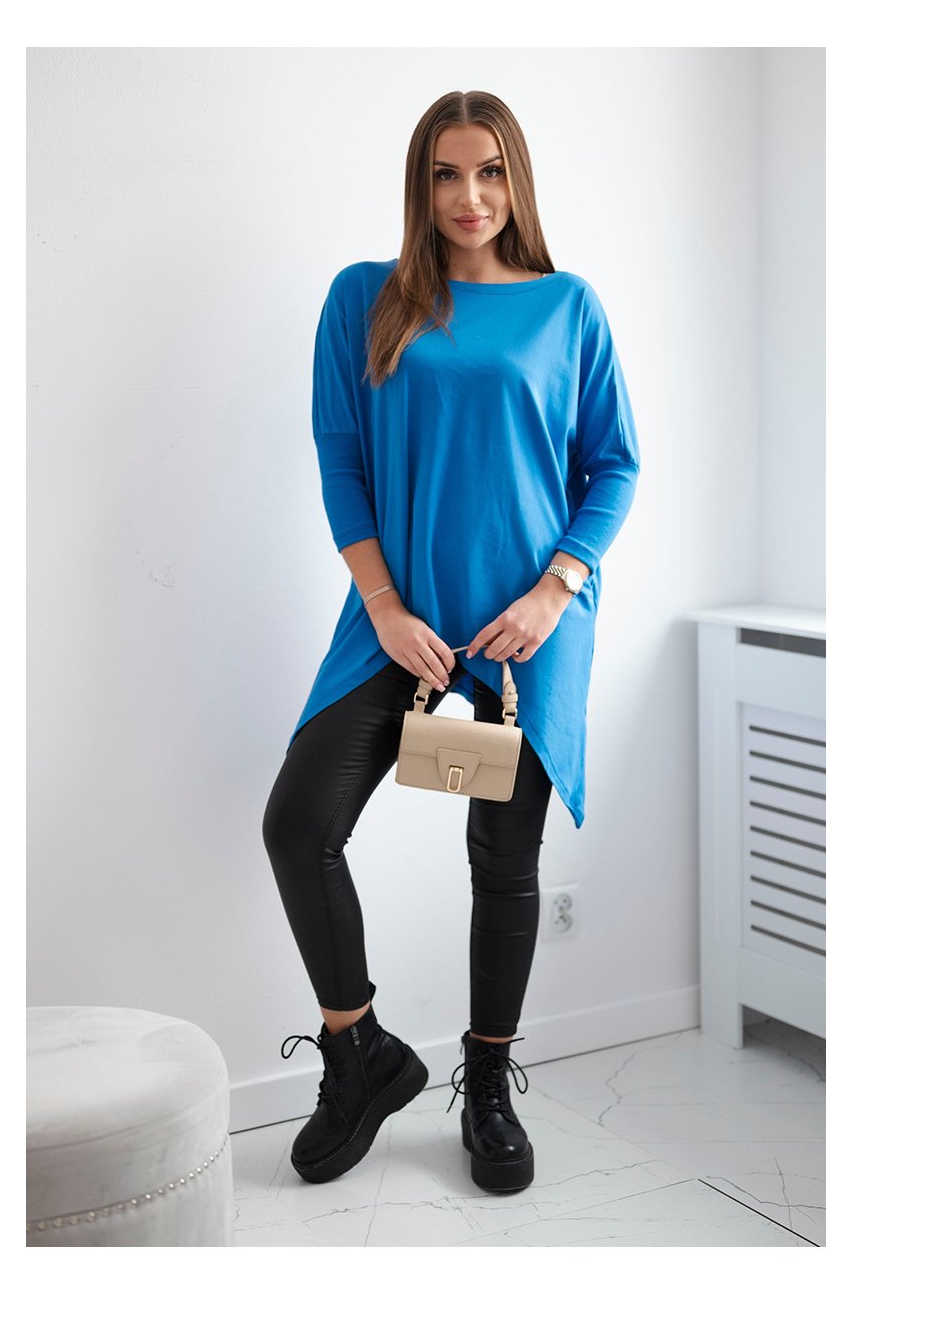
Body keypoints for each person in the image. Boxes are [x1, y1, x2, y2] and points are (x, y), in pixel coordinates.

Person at [262, 90, 640, 1194]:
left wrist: (555, 592)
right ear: (419, 185)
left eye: (488, 171)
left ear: (516, 180)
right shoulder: (365, 299)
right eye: (444, 173)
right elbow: (341, 458)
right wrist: (383, 607)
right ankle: (360, 1053)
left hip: (528, 627)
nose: (468, 196)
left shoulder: (567, 307)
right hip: (400, 619)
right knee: (300, 823)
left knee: (503, 861)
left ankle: (486, 1084)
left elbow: (614, 464)